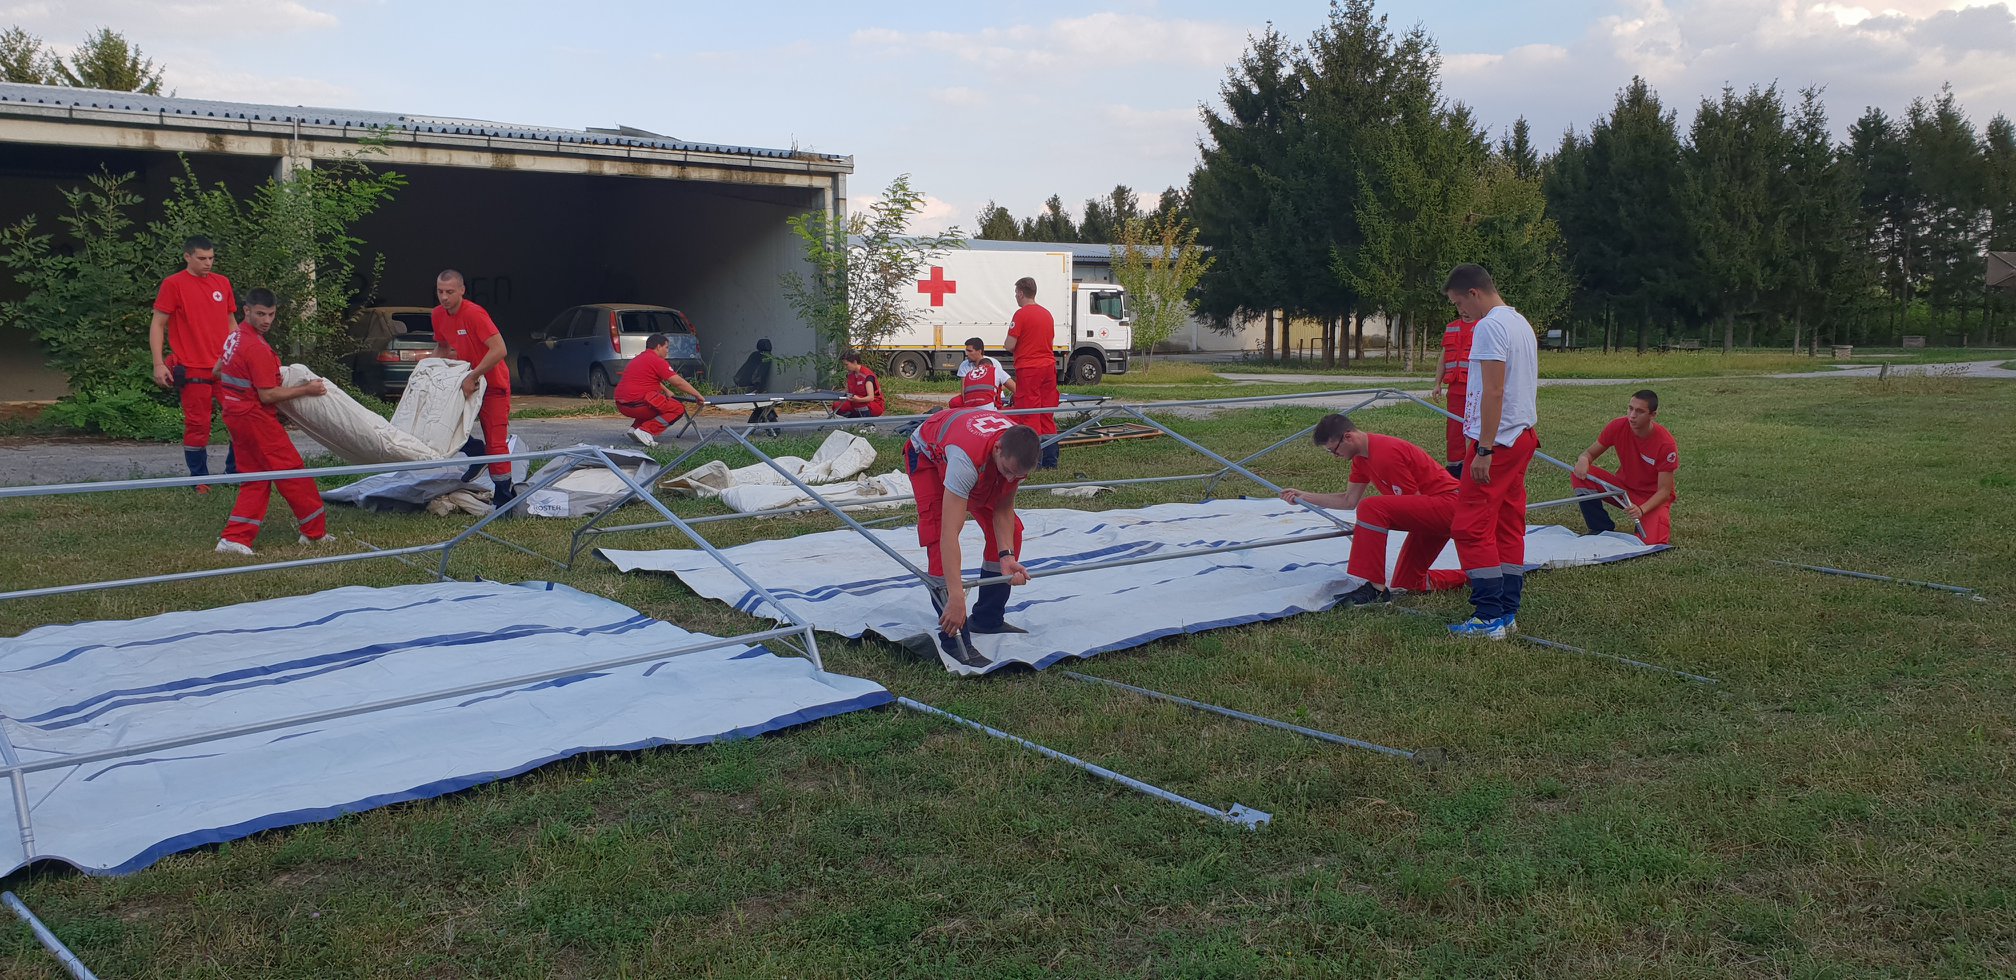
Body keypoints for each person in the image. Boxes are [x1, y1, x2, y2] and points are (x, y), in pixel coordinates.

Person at [1444, 263, 1540, 640]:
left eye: (1458, 304)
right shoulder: (1520, 322)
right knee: (1508, 524)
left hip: (1497, 442)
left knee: (1469, 526)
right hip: (1522, 435)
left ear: (1474, 293)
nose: (1460, 313)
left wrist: (1483, 448)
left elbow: (1494, 391)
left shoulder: (1488, 327)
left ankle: (1488, 617)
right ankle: (1507, 611)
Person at [1278, 415, 1467, 605]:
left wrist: (1371, 526)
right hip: (1430, 510)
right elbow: (1348, 500)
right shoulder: (1360, 459)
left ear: (1348, 437)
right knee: (1409, 582)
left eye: (1334, 450)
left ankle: (1375, 588)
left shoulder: (1387, 453)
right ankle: (1472, 577)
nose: (1335, 457)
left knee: (1371, 507)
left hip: (1449, 504)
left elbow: (1411, 501)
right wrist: (1305, 497)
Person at [904, 407, 1040, 667]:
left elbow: (1002, 509)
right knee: (936, 534)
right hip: (928, 457)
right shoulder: (964, 461)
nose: (1011, 478)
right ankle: (954, 636)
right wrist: (956, 596)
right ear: (998, 448)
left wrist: (1006, 556)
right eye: (1008, 471)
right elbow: (949, 534)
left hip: (979, 454)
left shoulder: (1015, 456)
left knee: (1013, 532)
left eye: (1018, 476)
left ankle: (987, 618)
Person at [212, 289, 333, 555]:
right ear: (246, 311)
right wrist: (307, 390)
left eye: (271, 314)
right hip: (255, 418)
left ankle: (235, 538)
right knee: (293, 473)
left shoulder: (234, 337)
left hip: (234, 413)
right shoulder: (256, 347)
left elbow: (217, 370)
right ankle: (314, 533)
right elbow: (268, 395)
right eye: (261, 314)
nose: (267, 320)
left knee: (256, 478)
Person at [149, 235, 238, 486]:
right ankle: (199, 480)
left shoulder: (222, 283)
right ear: (187, 256)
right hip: (191, 366)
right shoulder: (174, 284)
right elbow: (158, 323)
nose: (207, 263)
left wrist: (238, 356)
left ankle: (236, 474)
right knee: (197, 425)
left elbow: (231, 323)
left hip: (224, 367)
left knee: (239, 420)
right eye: (202, 258)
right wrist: (159, 363)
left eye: (211, 258)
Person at [429, 270, 517, 510]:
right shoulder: (437, 315)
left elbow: (499, 349)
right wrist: (426, 373)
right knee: (442, 426)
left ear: (461, 290)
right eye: (440, 292)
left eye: (449, 292)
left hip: (492, 385)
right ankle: (475, 451)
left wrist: (474, 375)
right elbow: (442, 348)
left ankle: (503, 496)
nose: (444, 297)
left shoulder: (475, 314)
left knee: (496, 441)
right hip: (465, 381)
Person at [1572, 389, 1678, 545]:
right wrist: (1583, 459)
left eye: (1640, 411)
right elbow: (1589, 454)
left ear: (1653, 415)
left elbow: (1664, 491)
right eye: (1630, 408)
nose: (1632, 415)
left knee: (1650, 544)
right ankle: (1600, 528)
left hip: (1652, 498)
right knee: (1579, 474)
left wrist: (1641, 510)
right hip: (1623, 491)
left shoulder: (1665, 445)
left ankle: (1646, 522)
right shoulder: (1617, 426)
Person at [1002, 276, 1061, 469]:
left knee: (1029, 413)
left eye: (1015, 294)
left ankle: (1033, 461)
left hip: (1029, 368)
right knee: (1046, 413)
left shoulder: (1021, 315)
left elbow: (1010, 344)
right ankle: (1051, 460)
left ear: (1020, 293)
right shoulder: (1047, 314)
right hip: (1048, 367)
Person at [615, 332, 706, 446]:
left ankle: (635, 429)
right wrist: (697, 394)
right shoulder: (657, 361)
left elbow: (649, 378)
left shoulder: (638, 359)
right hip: (637, 404)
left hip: (622, 404)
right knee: (677, 408)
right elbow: (677, 382)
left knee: (657, 403)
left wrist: (666, 390)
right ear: (658, 347)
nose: (667, 351)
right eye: (666, 347)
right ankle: (646, 430)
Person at [1431, 312, 1477, 477]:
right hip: (1455, 389)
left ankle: (1471, 464)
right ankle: (1455, 467)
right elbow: (1443, 358)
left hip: (1475, 389)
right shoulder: (1452, 327)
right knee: (1454, 429)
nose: (1464, 310)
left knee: (1473, 428)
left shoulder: (1483, 326)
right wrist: (1437, 383)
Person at [949, 337, 1015, 409]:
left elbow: (1003, 384)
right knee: (955, 402)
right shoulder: (965, 365)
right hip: (979, 400)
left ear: (979, 351)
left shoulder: (994, 363)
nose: (967, 354)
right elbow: (964, 391)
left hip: (993, 396)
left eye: (970, 351)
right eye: (966, 351)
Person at [832, 351, 886, 419]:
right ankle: (855, 420)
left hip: (874, 404)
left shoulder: (867, 376)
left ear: (854, 362)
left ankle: (868, 425)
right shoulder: (850, 375)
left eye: (846, 364)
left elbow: (871, 397)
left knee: (859, 404)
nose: (845, 367)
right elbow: (847, 392)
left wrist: (858, 400)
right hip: (855, 401)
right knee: (837, 405)